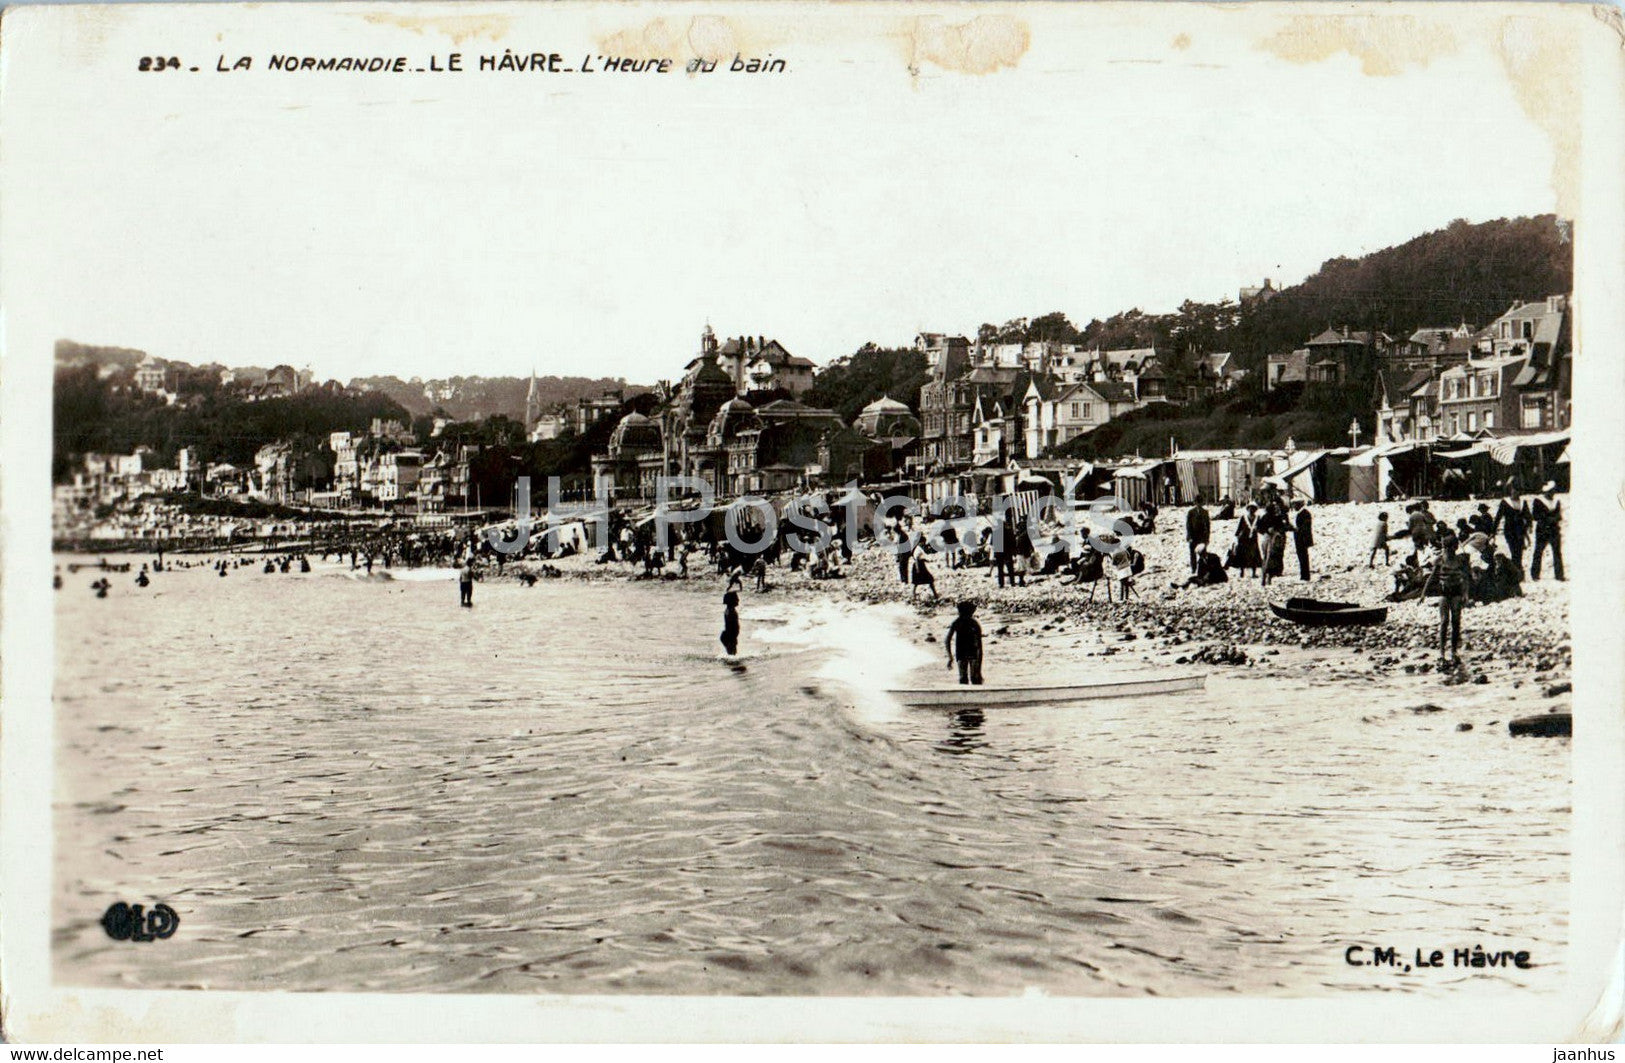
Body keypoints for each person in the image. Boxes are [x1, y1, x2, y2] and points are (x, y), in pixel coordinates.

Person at [1431, 531, 1469, 665]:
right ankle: (1441, 652)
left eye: (1450, 548)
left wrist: (1466, 594)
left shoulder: (1460, 560)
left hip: (1456, 592)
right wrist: (1423, 594)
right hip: (1444, 592)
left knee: (1456, 621)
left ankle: (1453, 651)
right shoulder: (1439, 560)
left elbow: (1465, 578)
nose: (1448, 550)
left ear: (1455, 548)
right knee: (1444, 621)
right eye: (1446, 548)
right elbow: (1432, 577)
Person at [944, 600, 984, 686]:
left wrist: (950, 657)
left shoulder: (957, 622)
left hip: (962, 653)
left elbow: (947, 640)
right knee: (974, 678)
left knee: (963, 679)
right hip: (972, 653)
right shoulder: (974, 624)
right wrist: (979, 668)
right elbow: (979, 647)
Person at [1530, 482, 1564, 581]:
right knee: (1538, 551)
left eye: (1553, 491)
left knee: (1557, 552)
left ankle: (1559, 575)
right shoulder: (1538, 501)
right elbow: (1535, 515)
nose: (1552, 493)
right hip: (1542, 530)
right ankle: (1535, 574)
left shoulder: (1556, 501)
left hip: (1554, 530)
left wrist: (1553, 519)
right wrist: (1548, 519)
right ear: (1546, 492)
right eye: (1551, 491)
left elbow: (1559, 515)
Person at [1493, 485, 1531, 574]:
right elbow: (1498, 517)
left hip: (1520, 531)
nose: (1515, 493)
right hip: (1509, 531)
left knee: (1519, 553)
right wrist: (1493, 531)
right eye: (1513, 491)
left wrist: (1529, 525)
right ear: (1511, 492)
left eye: (1517, 491)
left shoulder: (1523, 503)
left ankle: (1517, 572)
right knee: (1514, 552)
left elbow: (1528, 516)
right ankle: (1516, 572)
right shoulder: (1505, 502)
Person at [1230, 504, 1262, 577]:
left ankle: (1253, 573)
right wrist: (1236, 536)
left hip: (1253, 539)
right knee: (1242, 555)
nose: (1251, 510)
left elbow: (1260, 528)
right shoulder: (1243, 517)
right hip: (1243, 538)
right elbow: (1239, 528)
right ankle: (1242, 571)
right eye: (1250, 508)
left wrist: (1257, 529)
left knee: (1254, 555)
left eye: (1253, 509)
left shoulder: (1257, 518)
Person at [1185, 502, 1210, 574]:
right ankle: (1193, 568)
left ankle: (1202, 569)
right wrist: (1189, 536)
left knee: (1202, 553)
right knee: (1192, 553)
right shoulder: (1191, 512)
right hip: (1193, 536)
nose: (1198, 505)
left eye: (1200, 503)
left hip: (1202, 536)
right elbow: (1188, 526)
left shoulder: (1205, 512)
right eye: (1197, 503)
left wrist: (1207, 538)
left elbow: (1207, 526)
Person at [1292, 500, 1313, 580]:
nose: (1294, 507)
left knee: (1303, 557)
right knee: (1302, 557)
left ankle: (1305, 575)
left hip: (1302, 539)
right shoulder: (1302, 513)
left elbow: (1305, 527)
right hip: (1301, 538)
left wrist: (1296, 530)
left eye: (1295, 505)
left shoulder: (1304, 514)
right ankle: (1304, 574)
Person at [720, 591, 741, 656]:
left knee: (732, 655)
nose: (738, 600)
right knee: (732, 655)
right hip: (730, 636)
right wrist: (733, 638)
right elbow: (731, 626)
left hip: (728, 635)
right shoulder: (731, 611)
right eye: (736, 598)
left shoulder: (729, 610)